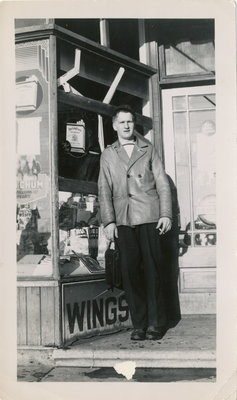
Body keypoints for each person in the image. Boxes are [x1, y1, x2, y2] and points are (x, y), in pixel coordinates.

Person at [98, 105, 180, 341]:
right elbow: (104, 189)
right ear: (114, 125)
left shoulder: (148, 148)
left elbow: (163, 183)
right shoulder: (108, 154)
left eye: (130, 122)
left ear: (134, 125)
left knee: (153, 270)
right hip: (123, 219)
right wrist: (108, 221)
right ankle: (139, 324)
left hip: (149, 216)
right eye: (122, 122)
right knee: (130, 272)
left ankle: (156, 323)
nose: (126, 126)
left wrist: (166, 214)